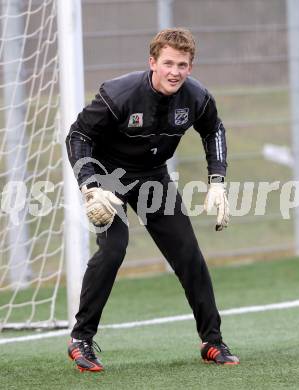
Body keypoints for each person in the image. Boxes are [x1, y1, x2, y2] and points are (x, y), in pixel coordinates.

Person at [66, 28, 239, 372]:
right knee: (114, 248)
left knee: (189, 255)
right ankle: (81, 339)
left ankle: (213, 341)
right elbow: (78, 135)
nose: (175, 71)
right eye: (168, 63)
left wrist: (217, 181)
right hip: (107, 180)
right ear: (152, 63)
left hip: (152, 178)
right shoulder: (119, 94)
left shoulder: (197, 96)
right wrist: (89, 184)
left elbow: (213, 129)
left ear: (191, 67)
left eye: (183, 64)